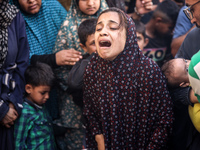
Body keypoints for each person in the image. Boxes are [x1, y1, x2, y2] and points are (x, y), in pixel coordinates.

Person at [83, 7, 173, 149]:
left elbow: (164, 121)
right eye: (98, 29)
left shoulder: (148, 70)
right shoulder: (93, 68)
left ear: (129, 35)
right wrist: (100, 141)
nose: (103, 32)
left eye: (112, 27)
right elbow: (90, 112)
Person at [53, 0, 108, 149]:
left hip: (108, 106)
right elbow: (60, 69)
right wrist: (84, 93)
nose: (90, 3)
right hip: (76, 101)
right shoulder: (67, 28)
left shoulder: (112, 23)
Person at [0, 0, 29, 149]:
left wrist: (12, 103)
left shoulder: (13, 16)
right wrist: (1, 109)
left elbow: (22, 63)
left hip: (10, 105)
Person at [14, 62, 56, 149]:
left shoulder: (41, 106)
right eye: (43, 93)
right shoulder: (24, 113)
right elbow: (18, 143)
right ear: (28, 88)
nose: (47, 97)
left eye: (49, 92)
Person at [144, 0, 179, 67]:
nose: (172, 32)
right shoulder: (139, 36)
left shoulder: (167, 38)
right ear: (158, 21)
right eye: (170, 28)